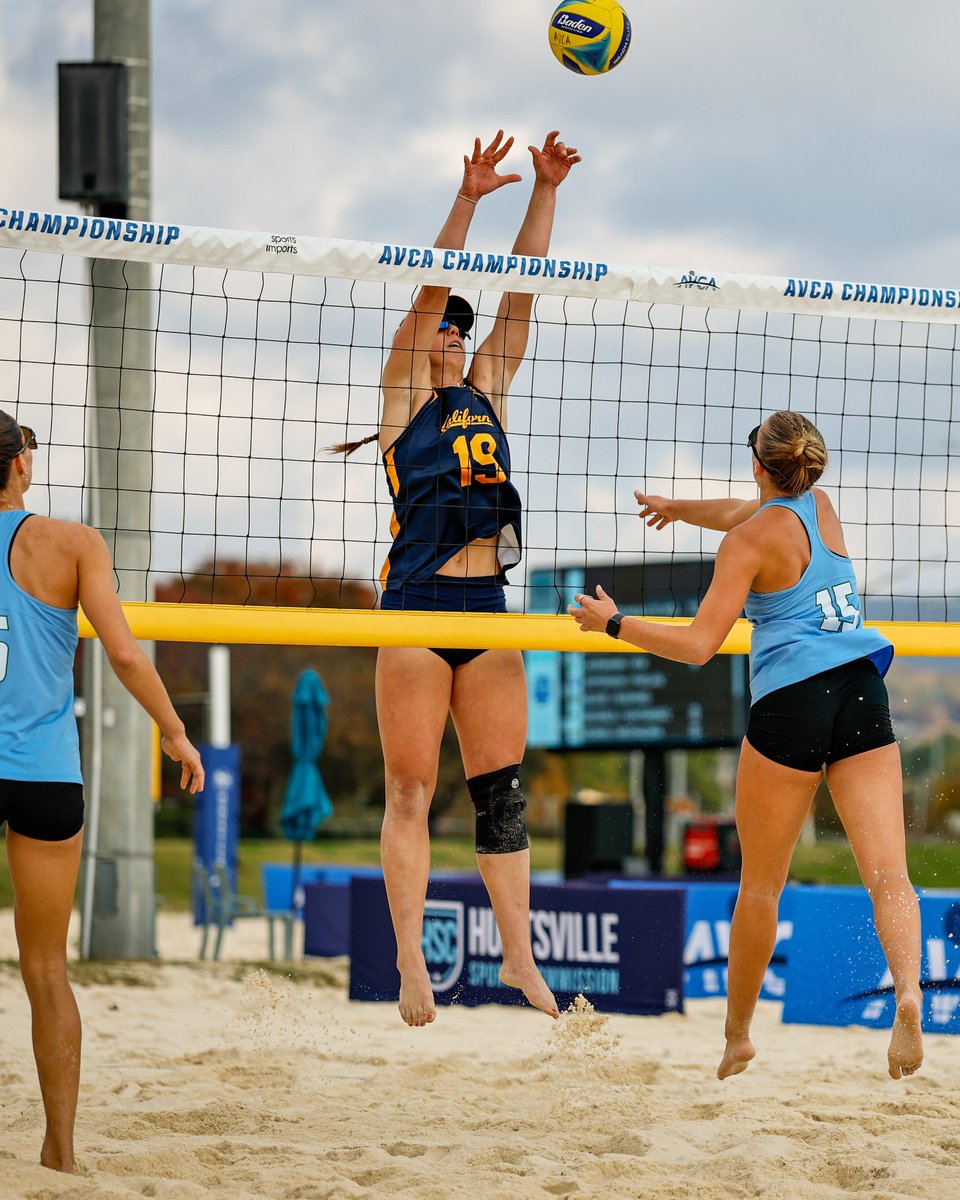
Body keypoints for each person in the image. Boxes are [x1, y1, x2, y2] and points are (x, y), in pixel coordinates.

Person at [568, 410, 923, 1081]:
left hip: (792, 702)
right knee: (889, 875)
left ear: (757, 463)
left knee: (761, 885)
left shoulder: (745, 544)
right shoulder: (822, 508)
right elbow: (747, 510)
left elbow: (699, 646)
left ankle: (737, 1036)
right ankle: (907, 991)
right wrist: (679, 509)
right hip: (860, 691)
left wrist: (614, 623)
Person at [334, 130, 580, 1027]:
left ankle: (520, 956)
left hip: (488, 608)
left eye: (461, 328)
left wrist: (544, 190)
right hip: (415, 607)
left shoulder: (489, 391)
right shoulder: (404, 399)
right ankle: (411, 960)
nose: (455, 331)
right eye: (446, 323)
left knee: (501, 793)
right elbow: (431, 288)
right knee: (409, 790)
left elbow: (525, 290)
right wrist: (469, 198)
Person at [0, 411, 204, 1173]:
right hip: (45, 774)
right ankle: (59, 1152)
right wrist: (175, 733)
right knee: (46, 971)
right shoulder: (75, 542)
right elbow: (124, 655)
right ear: (21, 464)